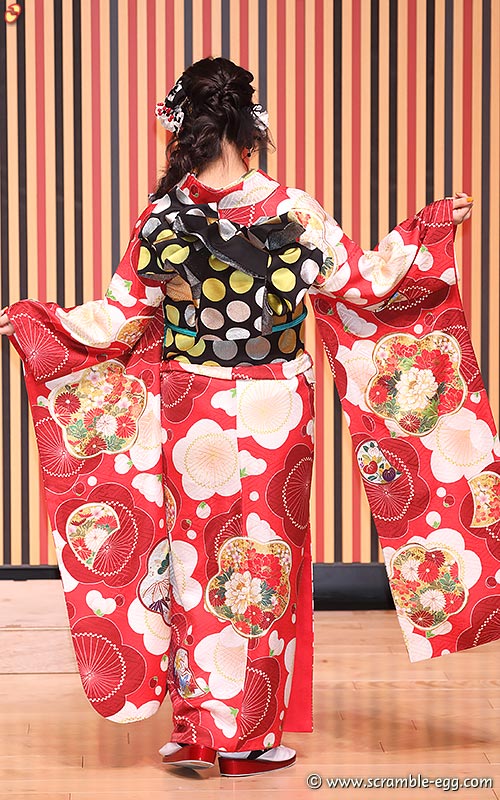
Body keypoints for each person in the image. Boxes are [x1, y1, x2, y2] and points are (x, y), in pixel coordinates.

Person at [1, 56, 495, 779]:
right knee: (264, 560)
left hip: (192, 404)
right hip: (276, 406)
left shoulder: (163, 216)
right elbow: (369, 285)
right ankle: (246, 739)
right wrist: (428, 230)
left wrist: (36, 323)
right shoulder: (293, 210)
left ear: (183, 128)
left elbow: (118, 318)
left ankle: (199, 728)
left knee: (194, 560)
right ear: (250, 124)